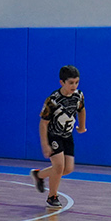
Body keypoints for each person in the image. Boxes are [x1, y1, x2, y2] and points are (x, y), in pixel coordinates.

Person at [32, 64, 85, 208]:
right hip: (53, 135)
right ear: (62, 82)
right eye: (71, 83)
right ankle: (52, 196)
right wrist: (45, 144)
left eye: (76, 82)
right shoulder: (53, 100)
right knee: (59, 166)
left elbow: (81, 109)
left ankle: (39, 175)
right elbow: (43, 123)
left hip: (67, 135)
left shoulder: (78, 96)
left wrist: (82, 126)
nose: (74, 86)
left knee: (68, 169)